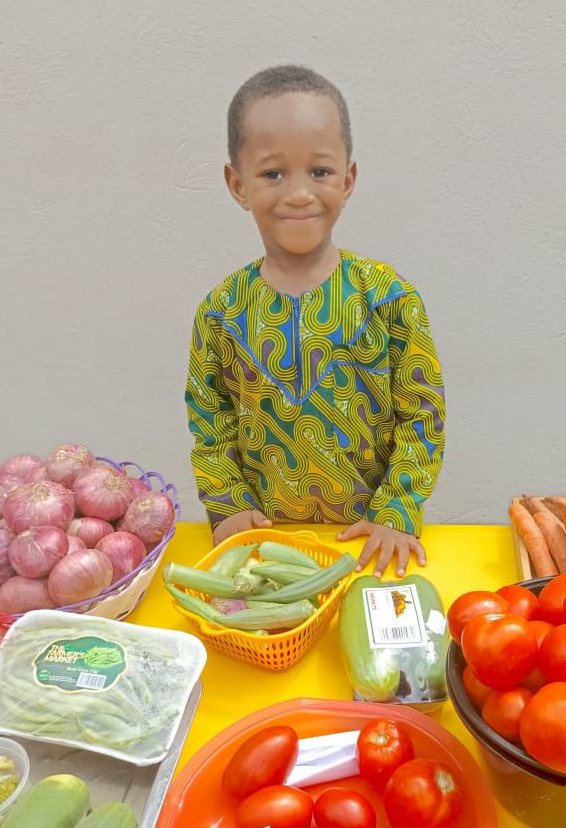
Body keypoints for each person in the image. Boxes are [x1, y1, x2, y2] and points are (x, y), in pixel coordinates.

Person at [185, 65, 445, 578]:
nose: (299, 193)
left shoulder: (388, 297)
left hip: (372, 546)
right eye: (273, 173)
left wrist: (396, 510)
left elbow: (424, 416)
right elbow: (208, 419)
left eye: (320, 172)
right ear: (237, 184)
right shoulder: (221, 311)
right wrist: (227, 504)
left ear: (348, 179)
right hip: (266, 554)